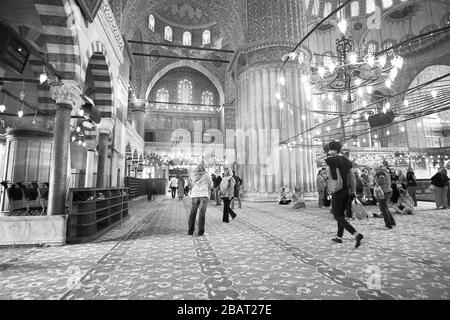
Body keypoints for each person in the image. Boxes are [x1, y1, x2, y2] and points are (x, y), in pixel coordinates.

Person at [316, 141, 363, 248]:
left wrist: (328, 154)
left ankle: (356, 234)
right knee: (341, 215)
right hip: (346, 190)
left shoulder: (332, 160)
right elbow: (352, 178)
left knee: (337, 216)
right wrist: (354, 191)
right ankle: (339, 237)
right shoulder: (347, 161)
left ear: (332, 149)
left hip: (337, 190)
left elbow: (316, 160)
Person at [188, 162, 213, 236]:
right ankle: (200, 232)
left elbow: (191, 183)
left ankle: (190, 231)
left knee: (192, 213)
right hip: (203, 195)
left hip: (195, 194)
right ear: (204, 167)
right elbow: (210, 184)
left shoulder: (193, 174)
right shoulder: (206, 174)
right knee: (202, 214)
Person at [373, 162, 396, 229]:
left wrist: (375, 183)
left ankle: (388, 225)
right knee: (385, 207)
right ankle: (392, 222)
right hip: (388, 191)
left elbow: (381, 182)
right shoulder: (385, 171)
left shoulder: (380, 173)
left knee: (383, 208)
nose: (373, 170)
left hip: (383, 191)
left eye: (374, 168)